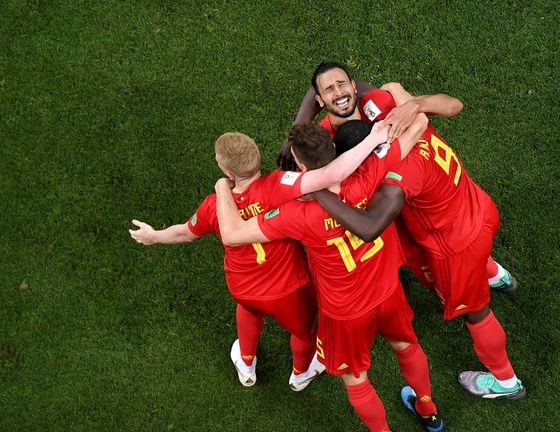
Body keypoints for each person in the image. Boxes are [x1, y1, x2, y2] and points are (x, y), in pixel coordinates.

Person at [214, 120, 444, 432]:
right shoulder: (369, 175)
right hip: (387, 292)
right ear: (334, 149)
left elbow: (232, 233)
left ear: (298, 163)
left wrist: (220, 188)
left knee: (356, 379)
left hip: (345, 313)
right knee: (407, 347)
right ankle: (428, 409)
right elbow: (417, 125)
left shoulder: (294, 213)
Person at [128, 128, 388, 391]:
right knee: (303, 332)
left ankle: (247, 363)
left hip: (243, 288)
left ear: (229, 173)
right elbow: (327, 177)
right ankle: (300, 374)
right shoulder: (279, 185)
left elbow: (184, 233)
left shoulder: (213, 206)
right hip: (288, 291)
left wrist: (154, 236)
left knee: (249, 310)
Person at [312, 86, 526, 400]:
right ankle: (494, 274)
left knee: (476, 313)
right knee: (475, 256)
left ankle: (507, 381)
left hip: (457, 248)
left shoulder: (395, 180)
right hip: (476, 207)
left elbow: (370, 226)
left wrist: (317, 189)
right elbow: (450, 102)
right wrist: (412, 103)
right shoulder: (406, 118)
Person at [282, 61, 518, 294]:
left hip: (434, 215)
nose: (339, 92)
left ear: (353, 86)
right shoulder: (325, 145)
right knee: (440, 258)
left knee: (455, 278)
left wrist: (414, 104)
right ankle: (490, 272)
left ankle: (481, 274)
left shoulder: (382, 106)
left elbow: (452, 106)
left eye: (342, 84)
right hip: (419, 208)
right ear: (320, 101)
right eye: (329, 89)